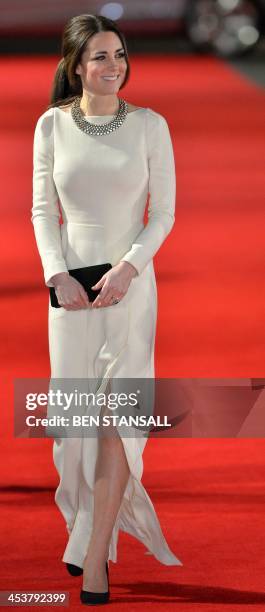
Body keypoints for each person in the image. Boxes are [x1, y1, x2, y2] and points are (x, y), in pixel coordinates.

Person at [31, 13, 183, 606]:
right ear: (75, 66)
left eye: (119, 54)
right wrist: (56, 274)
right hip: (69, 293)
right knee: (72, 431)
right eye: (99, 56)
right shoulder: (51, 125)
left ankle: (95, 559)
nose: (113, 66)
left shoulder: (149, 125)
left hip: (130, 288)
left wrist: (130, 268)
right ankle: (84, 523)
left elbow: (164, 212)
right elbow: (43, 211)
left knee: (115, 420)